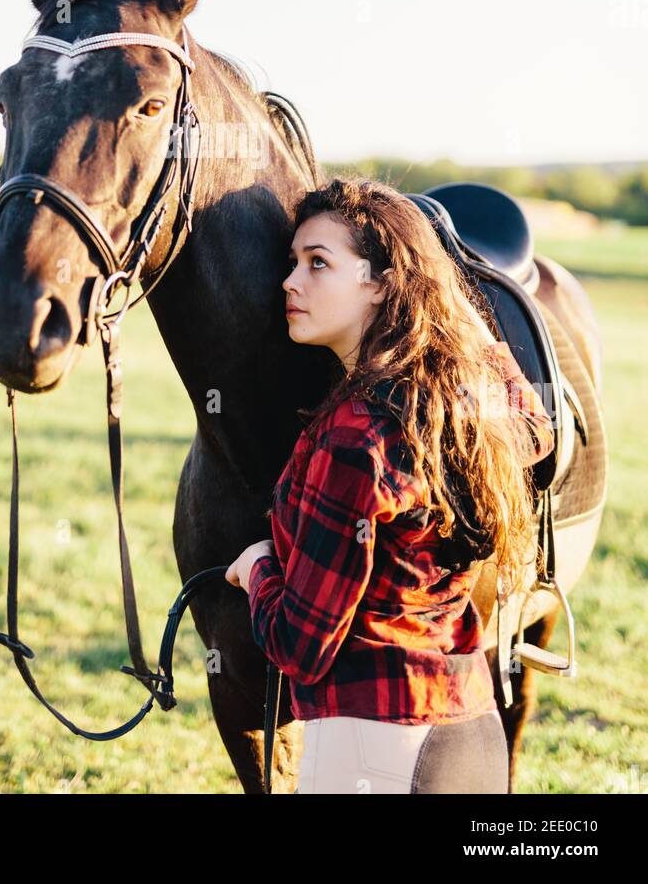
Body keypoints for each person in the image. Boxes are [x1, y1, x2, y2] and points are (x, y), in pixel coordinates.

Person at [224, 178, 555, 794]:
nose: (289, 282)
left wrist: (256, 569)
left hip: (372, 754)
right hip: (472, 737)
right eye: (293, 263)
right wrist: (447, 303)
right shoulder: (468, 414)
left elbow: (299, 647)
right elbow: (536, 424)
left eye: (317, 263)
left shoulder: (355, 438)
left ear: (380, 282)